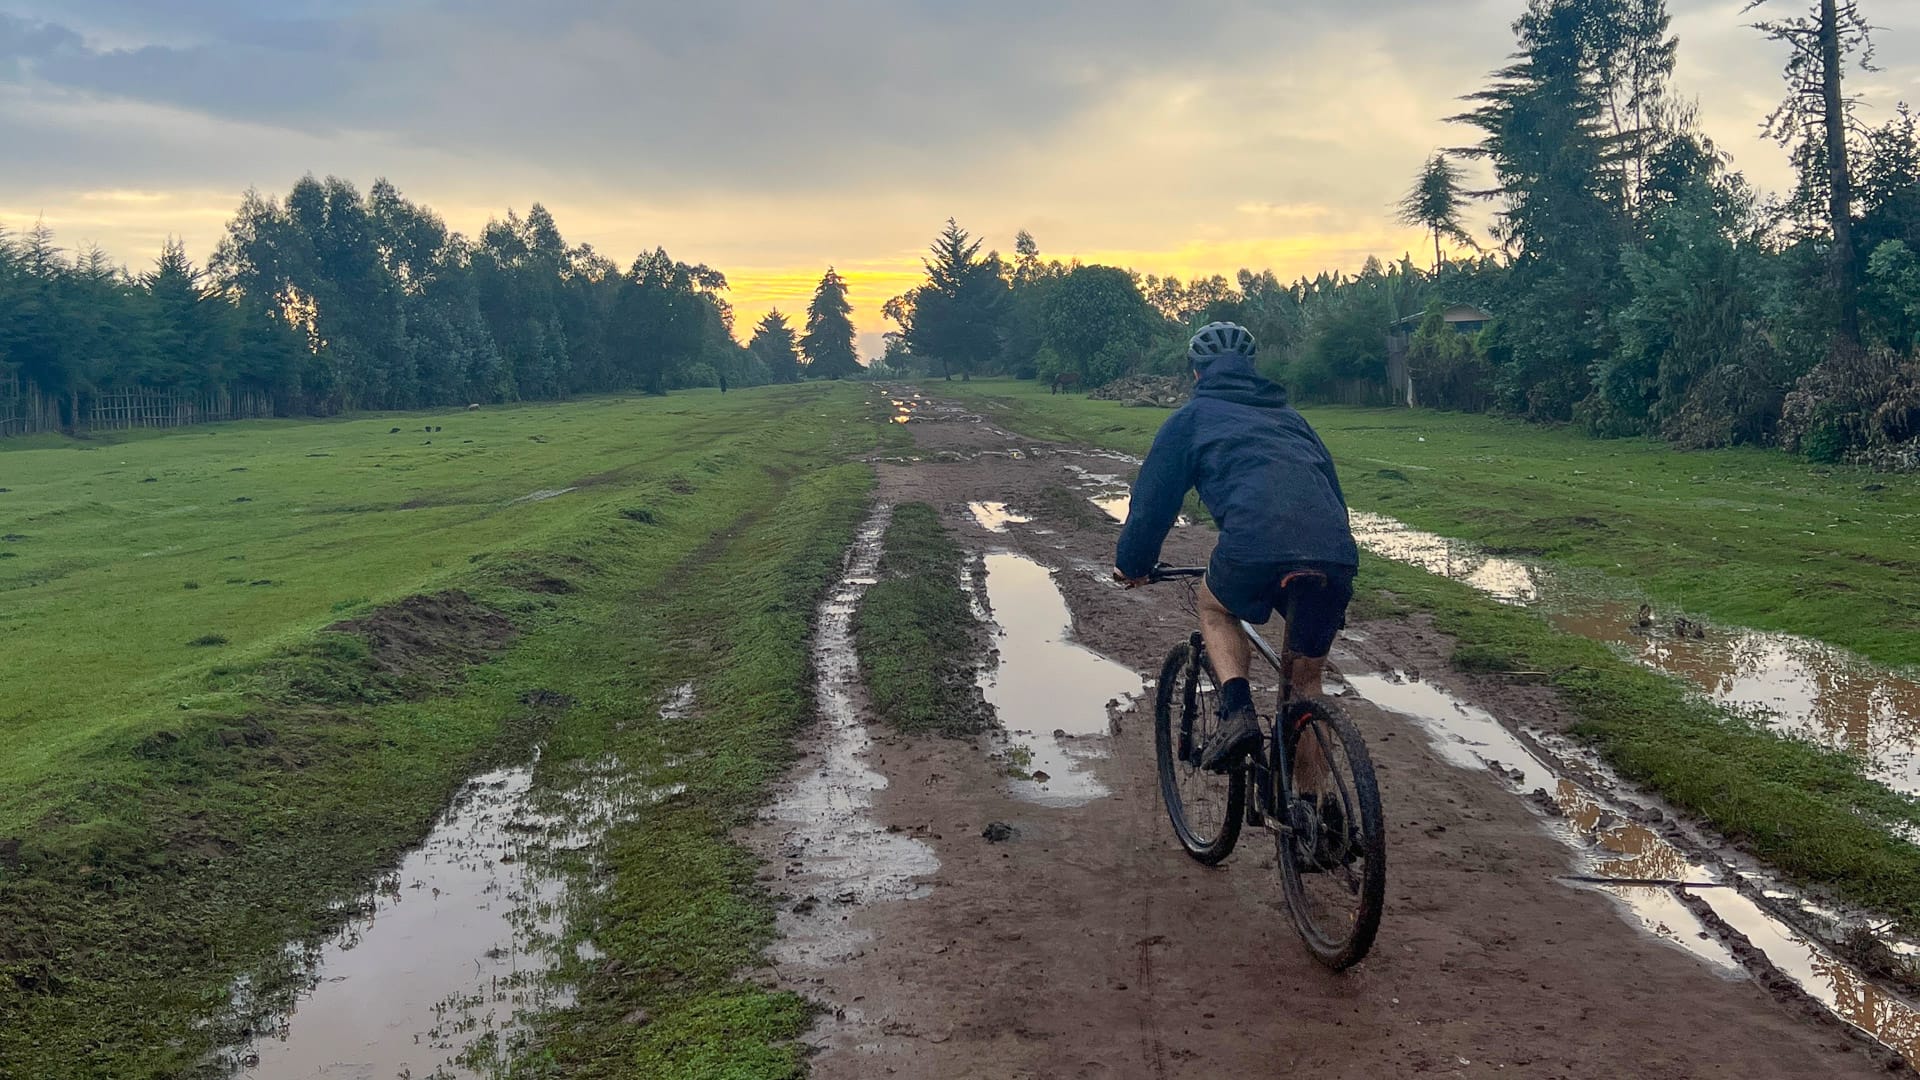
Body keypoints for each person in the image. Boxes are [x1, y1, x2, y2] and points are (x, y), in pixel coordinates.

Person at [1111, 322, 1358, 772]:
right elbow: (1332, 492)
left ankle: (1238, 710)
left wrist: (1133, 564)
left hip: (1254, 544)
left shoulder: (1190, 420)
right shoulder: (1293, 419)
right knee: (1305, 682)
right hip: (1333, 550)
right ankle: (1317, 820)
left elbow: (1152, 506)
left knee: (1216, 607)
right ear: (1252, 369)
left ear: (1196, 374)